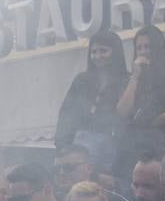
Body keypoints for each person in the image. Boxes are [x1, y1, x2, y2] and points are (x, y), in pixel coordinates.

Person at [56, 30, 130, 173]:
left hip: (113, 147)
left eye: (103, 51)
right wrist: (62, 145)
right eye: (93, 51)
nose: (97, 56)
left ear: (116, 52)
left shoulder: (126, 80)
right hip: (79, 147)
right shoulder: (81, 80)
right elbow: (66, 113)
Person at [117, 24, 165, 157]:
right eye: (139, 48)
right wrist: (135, 76)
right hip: (134, 146)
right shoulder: (131, 78)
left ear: (158, 48)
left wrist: (151, 121)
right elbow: (122, 111)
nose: (143, 51)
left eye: (147, 46)